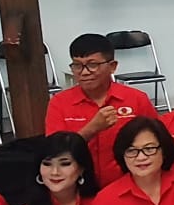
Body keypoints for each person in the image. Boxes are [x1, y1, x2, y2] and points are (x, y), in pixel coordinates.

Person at [45, 32, 158, 188]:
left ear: (112, 66)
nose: (84, 72)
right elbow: (54, 153)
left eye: (92, 65)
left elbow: (157, 144)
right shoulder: (59, 103)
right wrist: (91, 130)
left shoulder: (136, 99)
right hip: (78, 187)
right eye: (77, 65)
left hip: (129, 185)